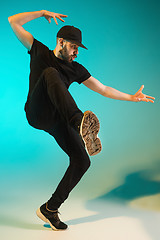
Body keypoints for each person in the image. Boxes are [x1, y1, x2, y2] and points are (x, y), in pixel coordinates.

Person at [8, 10, 155, 231]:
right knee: (50, 73)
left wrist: (132, 97)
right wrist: (40, 13)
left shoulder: (76, 69)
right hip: (37, 112)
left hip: (59, 118)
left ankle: (50, 208)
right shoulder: (38, 51)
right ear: (61, 42)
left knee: (82, 161)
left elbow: (103, 89)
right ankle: (79, 123)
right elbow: (13, 21)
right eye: (73, 47)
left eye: (78, 48)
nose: (77, 52)